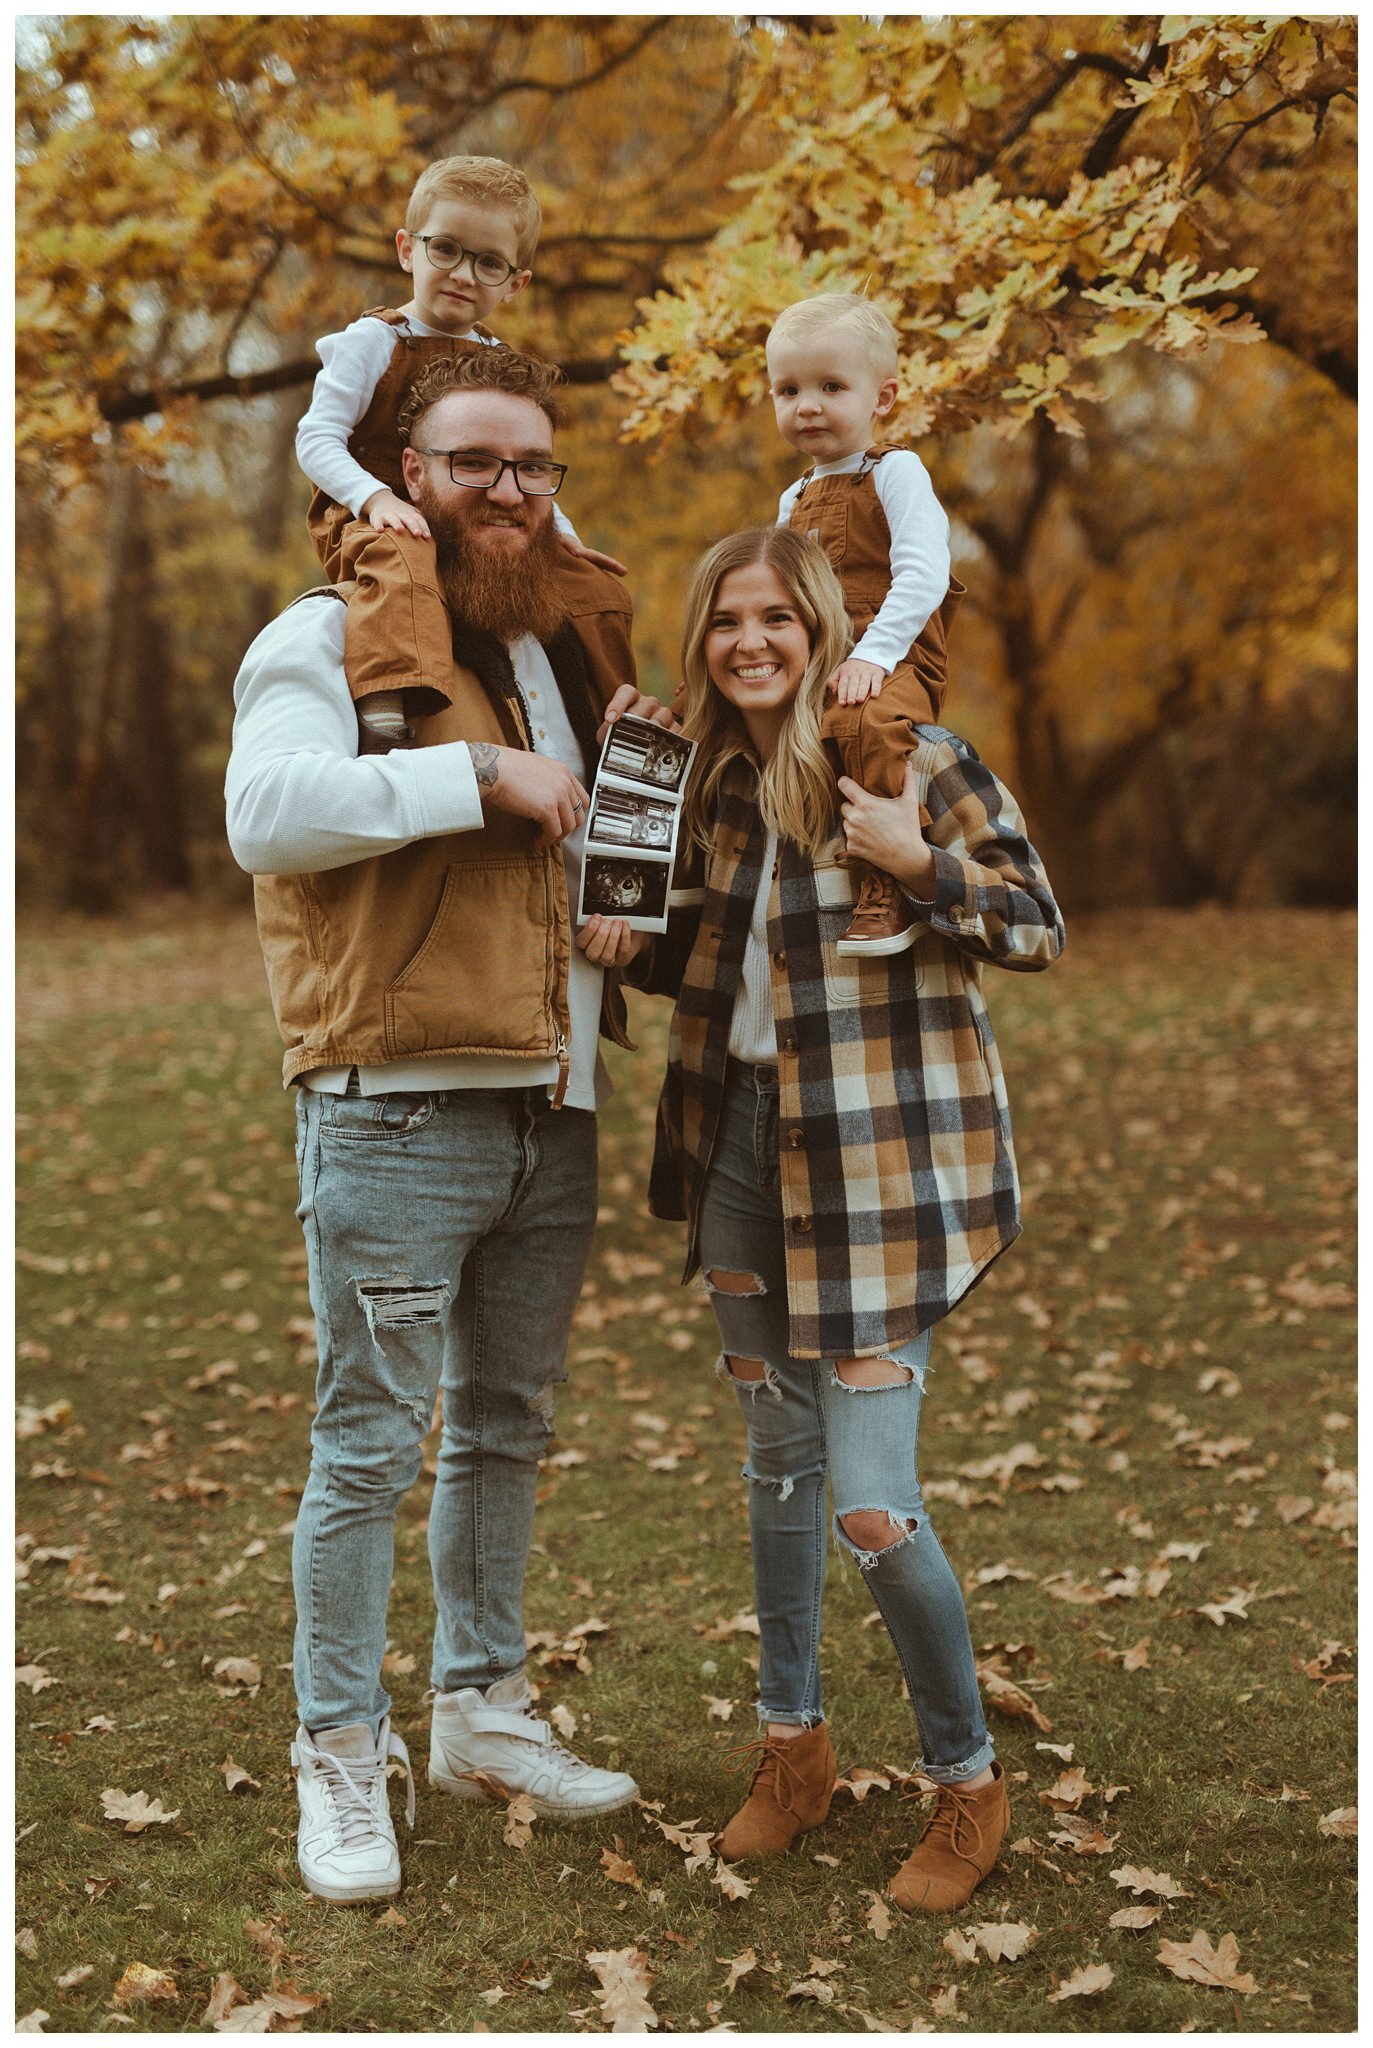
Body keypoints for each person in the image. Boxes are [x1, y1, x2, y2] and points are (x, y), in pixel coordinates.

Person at [226, 344, 667, 1906]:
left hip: (558, 1106)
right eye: (475, 462)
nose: (508, 491)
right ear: (408, 478)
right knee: (368, 1448)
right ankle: (339, 1750)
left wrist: (631, 913)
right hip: (397, 1112)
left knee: (504, 1434)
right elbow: (264, 816)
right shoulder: (320, 633)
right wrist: (471, 771)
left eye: (533, 468)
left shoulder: (558, 658)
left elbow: (591, 843)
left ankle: (481, 1709)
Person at [634, 527, 1064, 1914]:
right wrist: (614, 895)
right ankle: (791, 1753)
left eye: (774, 616)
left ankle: (967, 1782)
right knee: (775, 1473)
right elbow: (698, 962)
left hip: (883, 1171)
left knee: (871, 1507)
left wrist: (917, 862)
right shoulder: (718, 785)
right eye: (724, 621)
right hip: (743, 1156)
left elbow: (1038, 923)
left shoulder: (912, 760)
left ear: (820, 626)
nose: (749, 641)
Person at [296, 153, 630, 752]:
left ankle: (614, 711)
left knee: (588, 579)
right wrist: (373, 499)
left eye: (489, 262)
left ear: (515, 283)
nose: (464, 274)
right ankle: (390, 693)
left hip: (466, 515)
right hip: (369, 512)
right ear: (407, 249)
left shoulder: (496, 356)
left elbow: (519, 463)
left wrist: (563, 532)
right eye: (445, 249)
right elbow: (316, 437)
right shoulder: (374, 341)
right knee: (402, 559)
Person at [766, 293, 966, 957]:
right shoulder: (792, 498)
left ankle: (886, 872)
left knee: (865, 722)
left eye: (829, 386)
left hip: (897, 655)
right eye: (787, 389)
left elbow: (923, 575)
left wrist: (874, 656)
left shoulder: (896, 471)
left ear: (881, 397)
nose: (806, 405)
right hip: (818, 655)